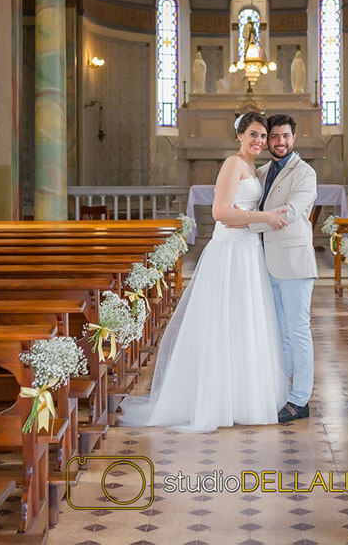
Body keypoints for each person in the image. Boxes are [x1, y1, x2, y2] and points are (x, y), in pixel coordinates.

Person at [117, 112, 291, 432]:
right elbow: (220, 212)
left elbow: (240, 211)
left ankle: (245, 399)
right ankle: (218, 402)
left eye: (263, 136)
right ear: (239, 135)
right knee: (225, 324)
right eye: (253, 134)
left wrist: (249, 216)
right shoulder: (233, 164)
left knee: (246, 322)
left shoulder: (253, 168)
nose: (259, 141)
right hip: (230, 251)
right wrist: (262, 217)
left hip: (249, 250)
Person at [248, 113, 318, 422]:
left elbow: (290, 212)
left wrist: (247, 224)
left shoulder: (305, 173)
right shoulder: (261, 172)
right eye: (274, 136)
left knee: (298, 330)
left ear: (294, 137)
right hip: (265, 262)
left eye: (285, 136)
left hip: (293, 262)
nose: (280, 142)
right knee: (279, 333)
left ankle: (300, 399)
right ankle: (282, 392)